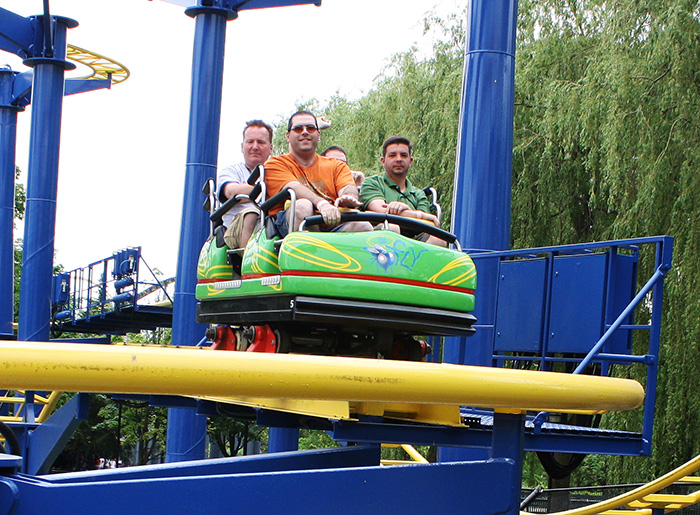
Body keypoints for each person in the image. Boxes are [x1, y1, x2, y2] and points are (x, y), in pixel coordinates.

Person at [264, 110, 372, 235]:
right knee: (303, 206)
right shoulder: (275, 163)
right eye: (298, 129)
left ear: (319, 135)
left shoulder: (336, 165)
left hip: (334, 223)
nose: (305, 132)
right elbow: (293, 187)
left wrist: (348, 197)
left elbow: (347, 186)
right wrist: (322, 204)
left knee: (364, 225)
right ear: (288, 136)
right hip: (289, 223)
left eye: (310, 128)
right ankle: (310, 251)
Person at [360, 135, 446, 247]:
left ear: (410, 161)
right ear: (383, 161)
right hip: (378, 241)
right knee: (392, 228)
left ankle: (413, 262)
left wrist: (406, 209)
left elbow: (426, 224)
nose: (399, 159)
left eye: (404, 155)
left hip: (413, 242)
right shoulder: (373, 183)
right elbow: (380, 211)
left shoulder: (418, 194)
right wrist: (416, 214)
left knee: (439, 238)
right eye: (392, 155)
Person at [217, 120, 273, 249]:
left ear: (270, 148)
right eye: (250, 142)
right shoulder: (231, 171)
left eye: (261, 142)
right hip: (235, 230)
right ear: (242, 146)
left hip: (271, 226)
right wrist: (265, 187)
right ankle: (247, 262)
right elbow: (231, 192)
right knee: (251, 213)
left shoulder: (278, 171)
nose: (255, 146)